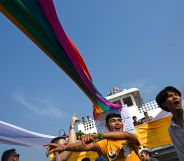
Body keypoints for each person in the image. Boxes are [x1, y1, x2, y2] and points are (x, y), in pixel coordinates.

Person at [45, 113, 141, 161]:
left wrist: (98, 135)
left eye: (119, 120)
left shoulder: (131, 137)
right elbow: (84, 146)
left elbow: (126, 135)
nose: (117, 123)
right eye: (113, 121)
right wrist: (64, 147)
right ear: (107, 126)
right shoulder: (104, 144)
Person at [156, 86, 183, 161]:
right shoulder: (172, 130)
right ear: (163, 104)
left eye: (176, 95)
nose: (175, 97)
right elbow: (181, 152)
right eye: (170, 96)